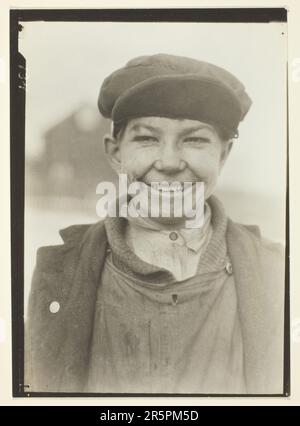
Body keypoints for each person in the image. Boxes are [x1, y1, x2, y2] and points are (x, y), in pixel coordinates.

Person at [25, 53, 285, 395]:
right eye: (147, 138)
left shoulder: (278, 274)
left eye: (194, 139)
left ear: (224, 155)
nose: (169, 162)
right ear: (116, 153)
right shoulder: (59, 273)